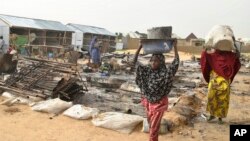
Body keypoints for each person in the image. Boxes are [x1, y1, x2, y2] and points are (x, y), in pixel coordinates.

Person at [133, 40, 179, 141]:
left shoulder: (165, 73)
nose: (153, 63)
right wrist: (140, 47)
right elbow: (135, 62)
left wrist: (175, 47)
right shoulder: (147, 70)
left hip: (159, 104)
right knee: (151, 126)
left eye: (156, 61)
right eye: (152, 60)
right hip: (148, 102)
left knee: (154, 128)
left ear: (161, 62)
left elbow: (175, 63)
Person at [200, 42, 241, 124]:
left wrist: (237, 53)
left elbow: (236, 62)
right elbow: (206, 57)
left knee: (223, 100)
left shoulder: (230, 56)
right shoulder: (214, 55)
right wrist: (205, 49)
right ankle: (212, 115)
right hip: (215, 81)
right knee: (212, 98)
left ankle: (220, 118)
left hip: (224, 82)